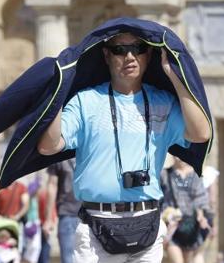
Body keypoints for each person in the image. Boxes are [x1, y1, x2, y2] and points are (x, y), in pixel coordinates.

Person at [37, 32, 211, 262]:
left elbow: (201, 133)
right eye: (120, 50)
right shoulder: (85, 101)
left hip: (147, 221)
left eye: (138, 48)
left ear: (148, 54)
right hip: (96, 225)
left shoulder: (163, 103)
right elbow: (49, 146)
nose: (130, 56)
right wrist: (58, 92)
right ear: (107, 55)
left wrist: (176, 76)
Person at [160, 157, 213, 263]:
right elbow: (159, 198)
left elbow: (201, 199)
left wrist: (201, 215)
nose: (180, 158)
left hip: (193, 226)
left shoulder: (195, 175)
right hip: (172, 227)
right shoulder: (164, 174)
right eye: (176, 155)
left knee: (191, 259)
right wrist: (165, 215)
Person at [43, 159, 81, 263]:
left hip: (88, 214)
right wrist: (48, 219)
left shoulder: (89, 151)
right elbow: (52, 185)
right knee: (68, 258)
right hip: (68, 213)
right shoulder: (58, 157)